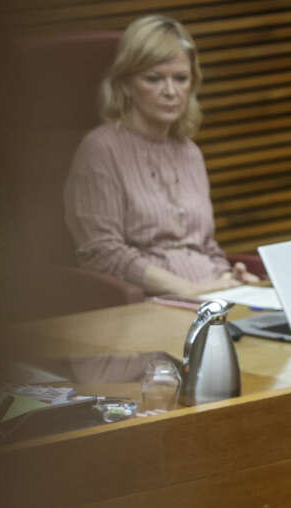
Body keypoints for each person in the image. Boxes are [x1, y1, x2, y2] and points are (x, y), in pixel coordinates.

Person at [63, 15, 258, 297]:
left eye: (180, 78)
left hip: (211, 296)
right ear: (126, 84)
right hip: (150, 305)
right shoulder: (100, 148)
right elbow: (101, 253)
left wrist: (228, 275)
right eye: (153, 79)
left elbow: (204, 245)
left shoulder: (190, 152)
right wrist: (189, 290)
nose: (170, 91)